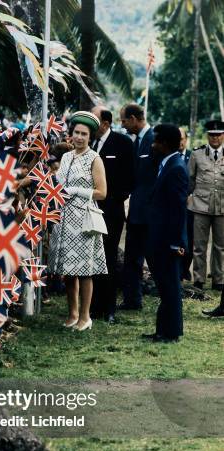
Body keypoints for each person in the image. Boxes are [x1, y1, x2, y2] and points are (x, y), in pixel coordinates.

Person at [48, 111, 107, 331]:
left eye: (84, 134)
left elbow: (102, 192)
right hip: (63, 218)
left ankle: (85, 316)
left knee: (84, 270)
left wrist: (77, 191)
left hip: (83, 218)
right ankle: (72, 313)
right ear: (70, 134)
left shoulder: (95, 158)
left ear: (90, 136)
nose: (79, 137)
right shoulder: (65, 157)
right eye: (76, 133)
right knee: (68, 270)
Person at [143, 124, 189, 343]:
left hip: (168, 241)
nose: (153, 145)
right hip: (159, 237)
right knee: (164, 286)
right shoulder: (166, 164)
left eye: (157, 141)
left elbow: (179, 210)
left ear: (166, 144)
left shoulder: (177, 168)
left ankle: (171, 333)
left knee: (170, 287)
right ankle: (163, 330)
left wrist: (176, 242)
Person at [90, 106, 135, 323]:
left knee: (108, 257)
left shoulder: (122, 143)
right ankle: (93, 305)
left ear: (106, 124)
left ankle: (109, 308)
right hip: (89, 210)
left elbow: (130, 177)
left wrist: (112, 198)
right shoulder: (88, 142)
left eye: (94, 119)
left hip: (111, 211)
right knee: (91, 257)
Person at [118, 103, 158, 310]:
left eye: (124, 120)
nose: (122, 125)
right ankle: (133, 300)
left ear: (134, 119)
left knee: (153, 259)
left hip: (150, 213)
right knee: (132, 258)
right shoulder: (136, 142)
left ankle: (167, 297)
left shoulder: (153, 140)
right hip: (136, 211)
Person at [188, 120, 224, 291]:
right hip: (201, 205)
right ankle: (199, 279)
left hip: (222, 206)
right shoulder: (197, 154)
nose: (215, 137)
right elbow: (190, 179)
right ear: (207, 136)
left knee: (220, 246)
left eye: (218, 134)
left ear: (223, 135)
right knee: (199, 245)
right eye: (212, 134)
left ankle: (218, 280)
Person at [179, 128, 193, 281]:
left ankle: (185, 269)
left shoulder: (192, 155)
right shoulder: (169, 157)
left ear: (186, 139)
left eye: (182, 138)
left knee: (189, 238)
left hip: (190, 205)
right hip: (175, 206)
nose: (180, 142)